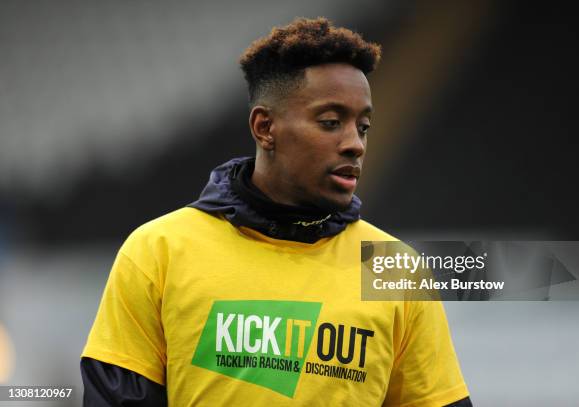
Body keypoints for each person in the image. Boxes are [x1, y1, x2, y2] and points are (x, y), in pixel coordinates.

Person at [81, 17, 472, 406]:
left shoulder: (393, 269)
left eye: (363, 126)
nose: (355, 144)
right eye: (331, 122)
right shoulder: (158, 251)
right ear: (265, 127)